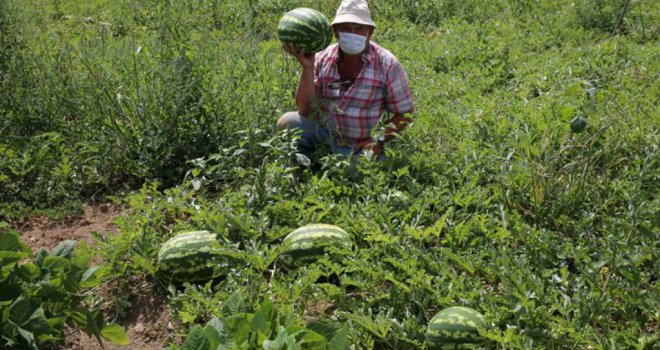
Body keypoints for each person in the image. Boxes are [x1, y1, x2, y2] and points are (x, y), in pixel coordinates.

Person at [277, 0, 414, 158]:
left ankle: (322, 161)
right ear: (335, 32)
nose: (353, 34)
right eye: (346, 29)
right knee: (287, 122)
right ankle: (319, 158)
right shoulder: (322, 58)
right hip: (324, 135)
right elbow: (305, 110)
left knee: (356, 171)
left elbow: (405, 113)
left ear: (370, 33)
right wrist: (307, 68)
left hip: (360, 147)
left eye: (360, 29)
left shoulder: (387, 64)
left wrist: (378, 139)